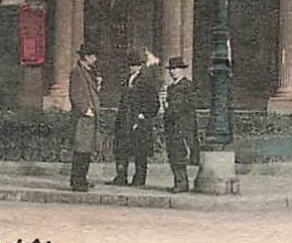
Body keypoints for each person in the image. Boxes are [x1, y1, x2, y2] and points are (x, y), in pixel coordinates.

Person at [110, 49, 161, 186]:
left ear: (140, 66)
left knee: (140, 151)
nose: (132, 67)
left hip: (139, 122)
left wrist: (143, 115)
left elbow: (154, 103)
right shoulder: (126, 79)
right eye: (130, 64)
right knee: (122, 149)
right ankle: (121, 176)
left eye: (135, 64)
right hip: (125, 120)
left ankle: (139, 178)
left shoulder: (146, 81)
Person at [67, 47, 102, 191]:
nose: (95, 59)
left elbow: (89, 92)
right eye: (93, 56)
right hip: (83, 118)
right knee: (81, 150)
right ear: (86, 57)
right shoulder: (77, 71)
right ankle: (77, 181)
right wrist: (85, 110)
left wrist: (98, 84)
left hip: (89, 118)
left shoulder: (88, 71)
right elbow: (75, 93)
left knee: (86, 150)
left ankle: (82, 179)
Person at [162, 57, 199, 193]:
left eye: (176, 69)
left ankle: (182, 183)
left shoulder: (187, 86)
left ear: (182, 70)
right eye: (171, 69)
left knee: (179, 154)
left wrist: (169, 107)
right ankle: (179, 182)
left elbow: (183, 106)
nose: (173, 72)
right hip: (172, 126)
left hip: (181, 126)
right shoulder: (172, 87)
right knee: (173, 154)